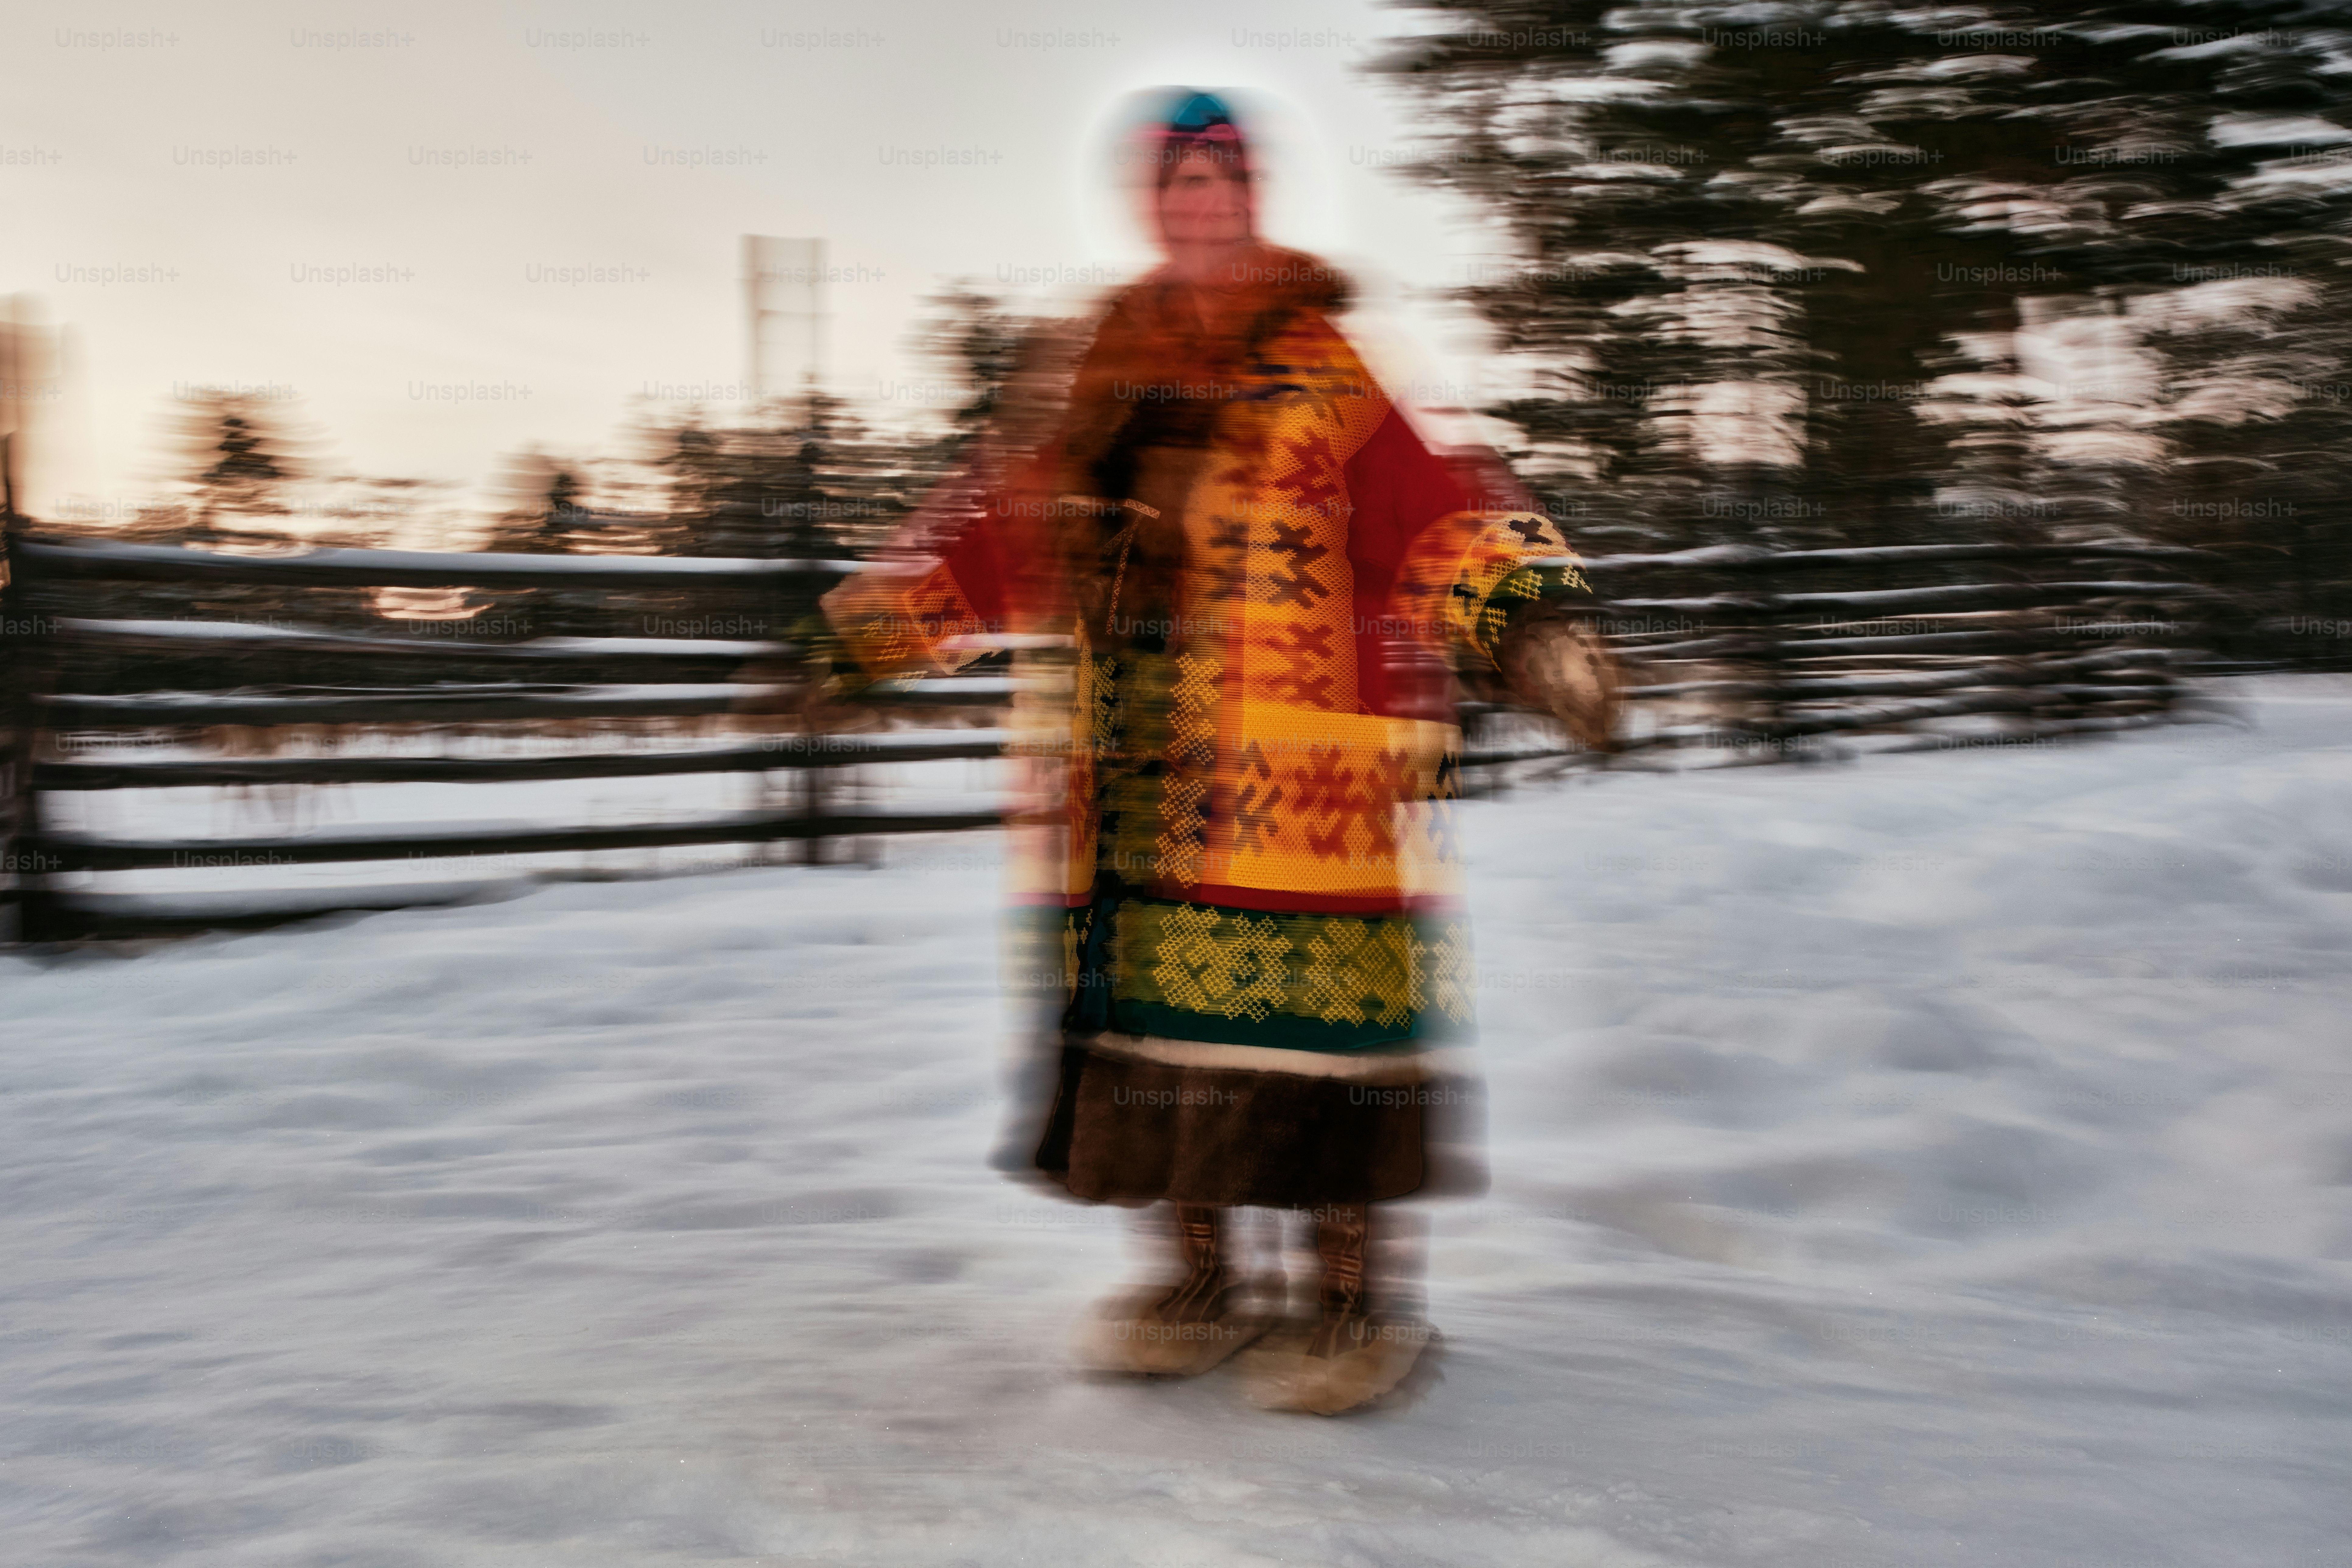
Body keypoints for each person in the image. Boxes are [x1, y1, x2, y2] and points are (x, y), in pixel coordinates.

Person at [822, 90, 1616, 1416]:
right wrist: (859, 641)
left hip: (1305, 784)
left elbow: (1439, 511)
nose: (1202, 206)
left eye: (1224, 183)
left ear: (1253, 202)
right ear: (1151, 206)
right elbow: (999, 532)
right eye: (1178, 185)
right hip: (1129, 784)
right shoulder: (1093, 377)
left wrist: (1533, 625)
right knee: (1157, 1045)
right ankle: (1205, 1282)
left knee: (1322, 1062)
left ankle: (1355, 1302)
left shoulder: (1326, 370)